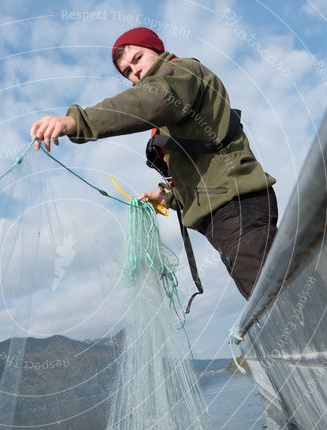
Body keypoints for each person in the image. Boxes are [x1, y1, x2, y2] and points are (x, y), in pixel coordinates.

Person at [30, 27, 278, 300]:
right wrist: (168, 196)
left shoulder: (181, 72)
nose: (134, 72)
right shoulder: (171, 101)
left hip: (236, 205)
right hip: (224, 213)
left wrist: (77, 122)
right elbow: (203, 167)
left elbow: (152, 100)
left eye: (138, 58)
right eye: (126, 71)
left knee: (278, 301)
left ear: (157, 51)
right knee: (270, 296)